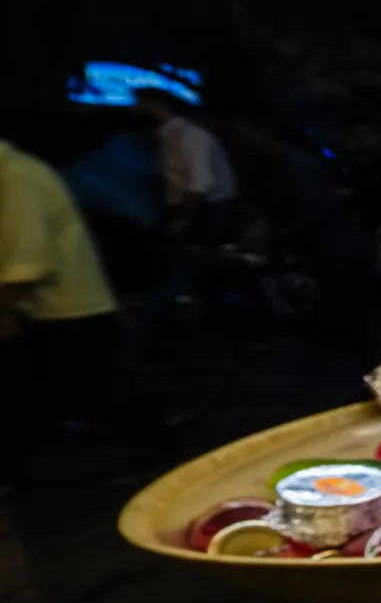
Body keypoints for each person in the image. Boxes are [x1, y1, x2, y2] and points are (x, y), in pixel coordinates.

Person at [0, 136, 119, 473]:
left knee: (96, 394)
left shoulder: (17, 176)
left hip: (68, 308)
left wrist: (5, 308)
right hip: (40, 308)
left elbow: (27, 261)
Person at [132, 89, 238, 236]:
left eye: (140, 105)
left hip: (204, 211)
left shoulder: (191, 136)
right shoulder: (166, 135)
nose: (134, 110)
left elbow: (200, 184)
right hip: (185, 206)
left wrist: (183, 219)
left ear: (157, 106)